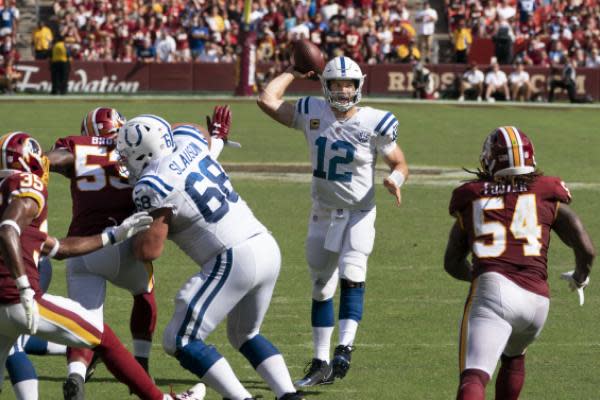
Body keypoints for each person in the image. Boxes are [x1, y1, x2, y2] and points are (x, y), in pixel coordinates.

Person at [0, 131, 206, 400]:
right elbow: (8, 229)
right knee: (103, 337)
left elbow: (60, 249)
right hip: (19, 300)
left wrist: (114, 235)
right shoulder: (26, 183)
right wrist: (24, 287)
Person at [116, 113, 304, 400]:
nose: (125, 162)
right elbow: (192, 129)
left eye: (128, 155)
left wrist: (127, 232)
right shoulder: (187, 143)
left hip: (234, 256)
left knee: (179, 339)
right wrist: (213, 136)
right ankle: (289, 395)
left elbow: (149, 250)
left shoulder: (152, 184)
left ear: (144, 154)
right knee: (245, 335)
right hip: (265, 245)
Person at [256, 56, 409, 387]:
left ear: (359, 86)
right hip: (323, 212)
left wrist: (395, 180)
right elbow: (266, 100)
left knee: (353, 273)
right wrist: (293, 71)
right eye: (337, 84)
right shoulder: (312, 110)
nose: (342, 91)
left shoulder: (375, 121)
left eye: (348, 84)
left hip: (359, 213)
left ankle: (345, 348)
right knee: (321, 286)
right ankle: (321, 361)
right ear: (325, 86)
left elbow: (399, 161)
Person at [444, 126, 595, 400]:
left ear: (489, 160)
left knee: (474, 377)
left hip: (494, 289)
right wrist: (580, 276)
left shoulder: (473, 195)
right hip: (538, 302)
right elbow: (586, 248)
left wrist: (482, 278)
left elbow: (452, 262)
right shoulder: (546, 191)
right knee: (514, 357)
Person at [45, 107, 158, 399]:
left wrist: (37, 162)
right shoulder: (134, 144)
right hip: (120, 243)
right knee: (144, 290)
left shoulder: (78, 145)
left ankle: (76, 374)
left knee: (84, 319)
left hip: (79, 248)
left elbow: (54, 160)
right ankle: (141, 363)